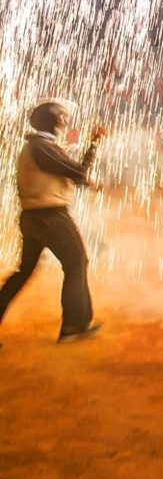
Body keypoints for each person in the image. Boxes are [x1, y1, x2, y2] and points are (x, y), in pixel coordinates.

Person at [0, 101, 106, 343]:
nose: (64, 121)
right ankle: (73, 325)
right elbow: (77, 172)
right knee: (77, 261)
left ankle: (74, 324)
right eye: (62, 118)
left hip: (35, 217)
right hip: (51, 217)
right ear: (54, 121)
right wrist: (94, 143)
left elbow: (70, 174)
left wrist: (88, 180)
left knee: (24, 271)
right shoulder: (42, 147)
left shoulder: (40, 147)